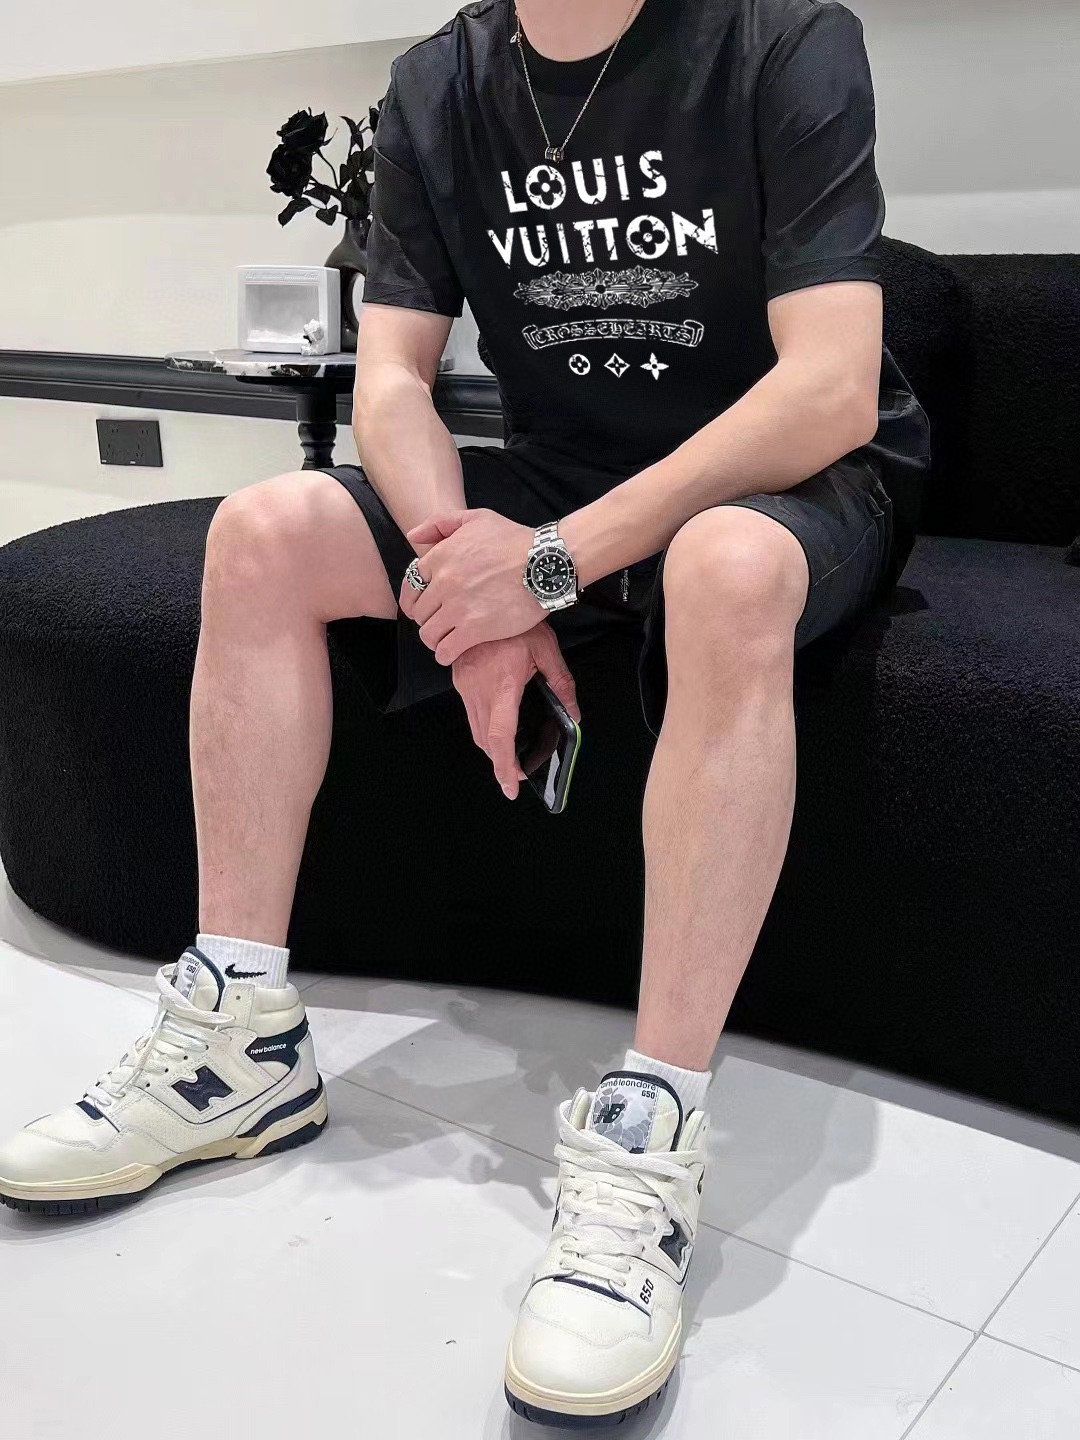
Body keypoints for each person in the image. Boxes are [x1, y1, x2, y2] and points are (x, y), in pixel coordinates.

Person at [0, 0, 930, 1426]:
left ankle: (651, 1127)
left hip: (788, 483)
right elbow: (391, 378)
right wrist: (463, 592)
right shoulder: (440, 81)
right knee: (263, 534)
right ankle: (241, 1037)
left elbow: (830, 389)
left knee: (723, 567)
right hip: (560, 476)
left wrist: (546, 568)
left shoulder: (780, 36)